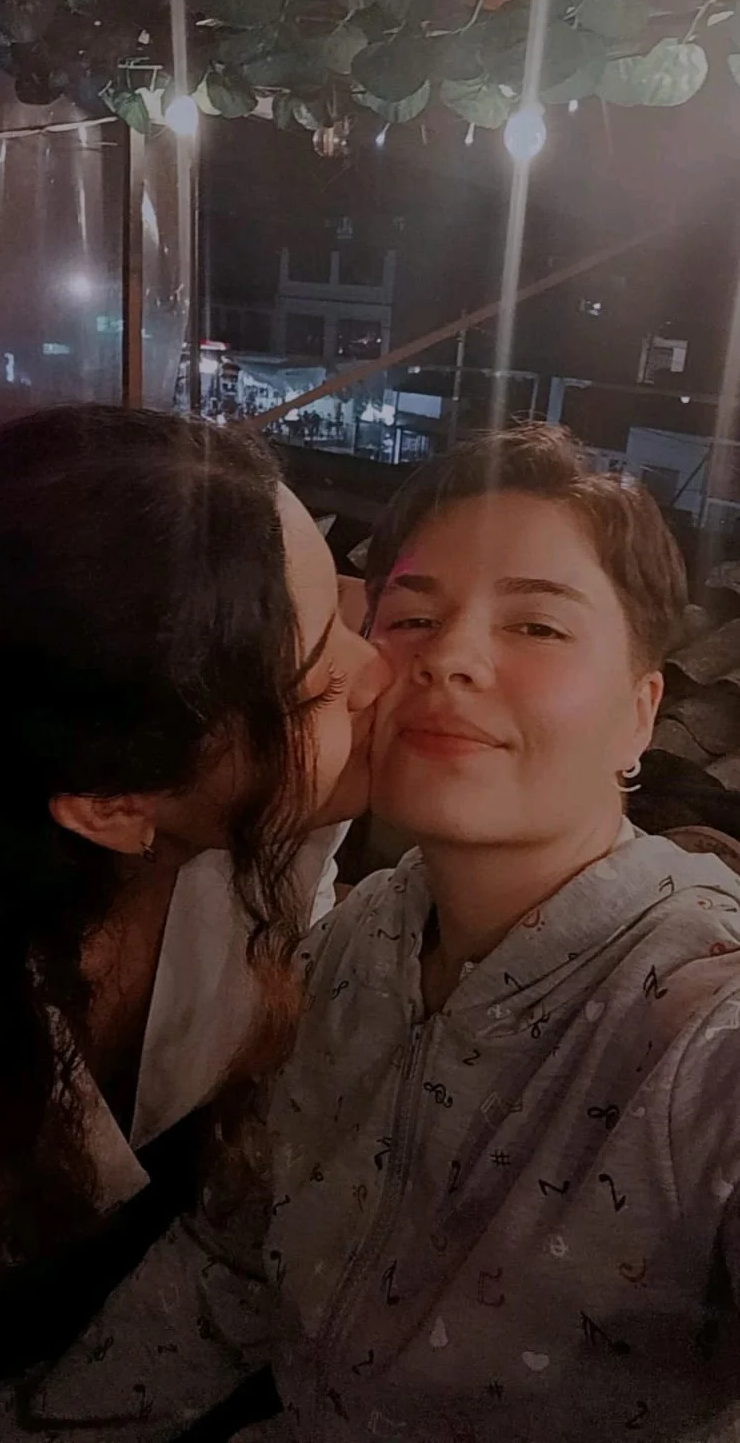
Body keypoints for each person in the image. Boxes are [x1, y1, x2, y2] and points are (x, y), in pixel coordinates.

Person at [258, 424, 740, 1443]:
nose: (449, 658)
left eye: (537, 626)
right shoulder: (352, 941)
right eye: (413, 617)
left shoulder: (700, 1020)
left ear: (640, 713)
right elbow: (227, 1253)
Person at [0, 404, 387, 1438]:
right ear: (113, 804)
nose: (380, 671)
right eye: (322, 681)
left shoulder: (270, 844)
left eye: (346, 611)